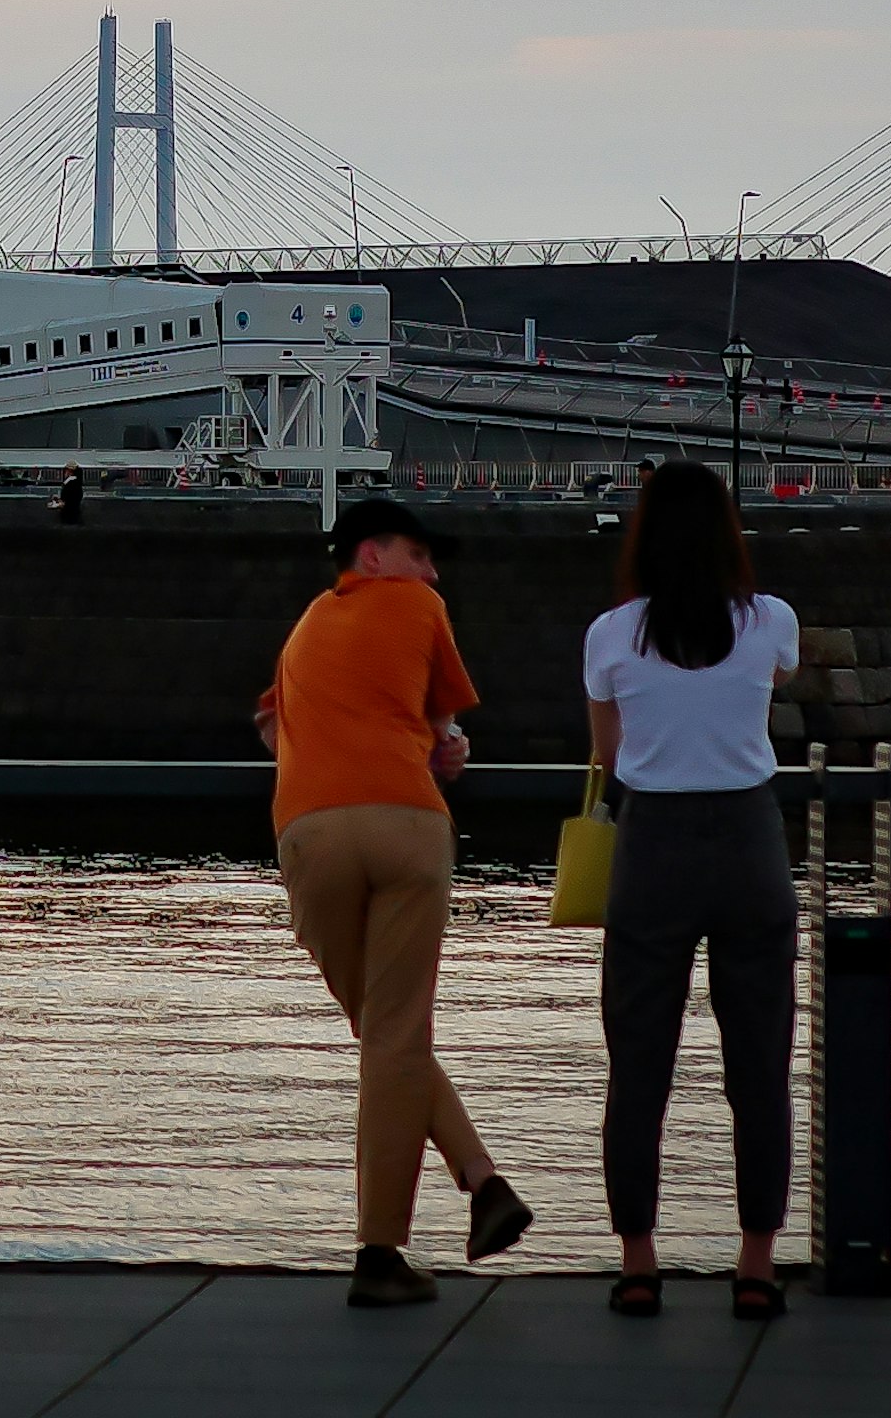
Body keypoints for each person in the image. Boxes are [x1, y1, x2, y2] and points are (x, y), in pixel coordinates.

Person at [256, 497, 535, 1306]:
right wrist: (446, 749)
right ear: (372, 556)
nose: (433, 570)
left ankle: (484, 1184)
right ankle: (380, 1254)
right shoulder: (421, 607)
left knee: (384, 1036)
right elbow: (444, 727)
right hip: (405, 824)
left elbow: (272, 730)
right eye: (420, 553)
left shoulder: (303, 629)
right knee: (397, 1036)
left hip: (309, 832)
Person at [584, 458, 805, 1321]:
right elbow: (772, 684)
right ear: (726, 532)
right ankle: (755, 1266)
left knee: (638, 1067)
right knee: (760, 1068)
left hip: (653, 850)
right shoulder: (771, 621)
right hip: (751, 844)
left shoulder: (611, 634)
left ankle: (640, 1263)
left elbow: (610, 757)